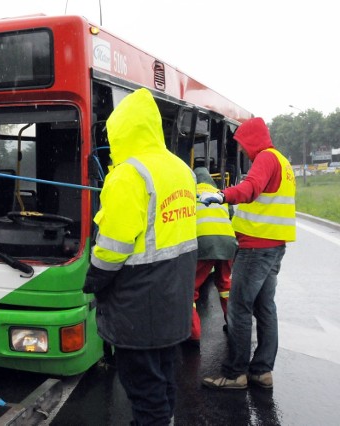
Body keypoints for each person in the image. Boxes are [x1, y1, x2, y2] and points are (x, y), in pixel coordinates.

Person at [83, 88, 197, 425]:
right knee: (163, 380)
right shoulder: (180, 170)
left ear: (122, 130)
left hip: (139, 305)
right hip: (173, 299)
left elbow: (112, 246)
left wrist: (94, 279)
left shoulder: (128, 174)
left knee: (144, 390)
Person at [201, 117, 296, 390]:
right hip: (274, 247)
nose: (241, 150)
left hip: (257, 248)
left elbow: (250, 188)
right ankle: (261, 371)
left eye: (242, 144)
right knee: (265, 307)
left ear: (253, 139)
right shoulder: (283, 162)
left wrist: (222, 196)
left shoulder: (265, 159)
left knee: (239, 308)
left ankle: (235, 374)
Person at [188, 167, 238, 347]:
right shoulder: (220, 194)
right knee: (225, 286)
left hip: (204, 244)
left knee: (190, 289)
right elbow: (231, 218)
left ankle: (193, 335)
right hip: (228, 243)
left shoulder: (190, 194)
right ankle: (235, 326)